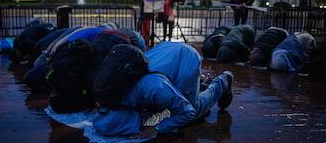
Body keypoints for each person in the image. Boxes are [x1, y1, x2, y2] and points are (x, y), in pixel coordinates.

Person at [93, 42, 234, 137]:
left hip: (185, 59)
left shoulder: (152, 87)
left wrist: (156, 129)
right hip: (164, 54)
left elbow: (186, 113)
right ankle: (197, 86)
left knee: (193, 110)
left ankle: (223, 81)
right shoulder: (112, 87)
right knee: (165, 100)